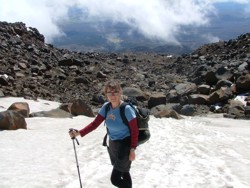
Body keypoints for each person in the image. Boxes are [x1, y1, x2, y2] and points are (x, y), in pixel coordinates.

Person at [69, 79, 139, 188]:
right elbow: (95, 124)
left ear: (120, 92)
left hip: (126, 144)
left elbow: (135, 130)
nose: (112, 95)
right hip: (113, 144)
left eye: (115, 92)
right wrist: (78, 133)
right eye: (109, 92)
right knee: (124, 171)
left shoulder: (126, 109)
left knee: (115, 179)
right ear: (105, 94)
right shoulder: (106, 107)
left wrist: (133, 149)